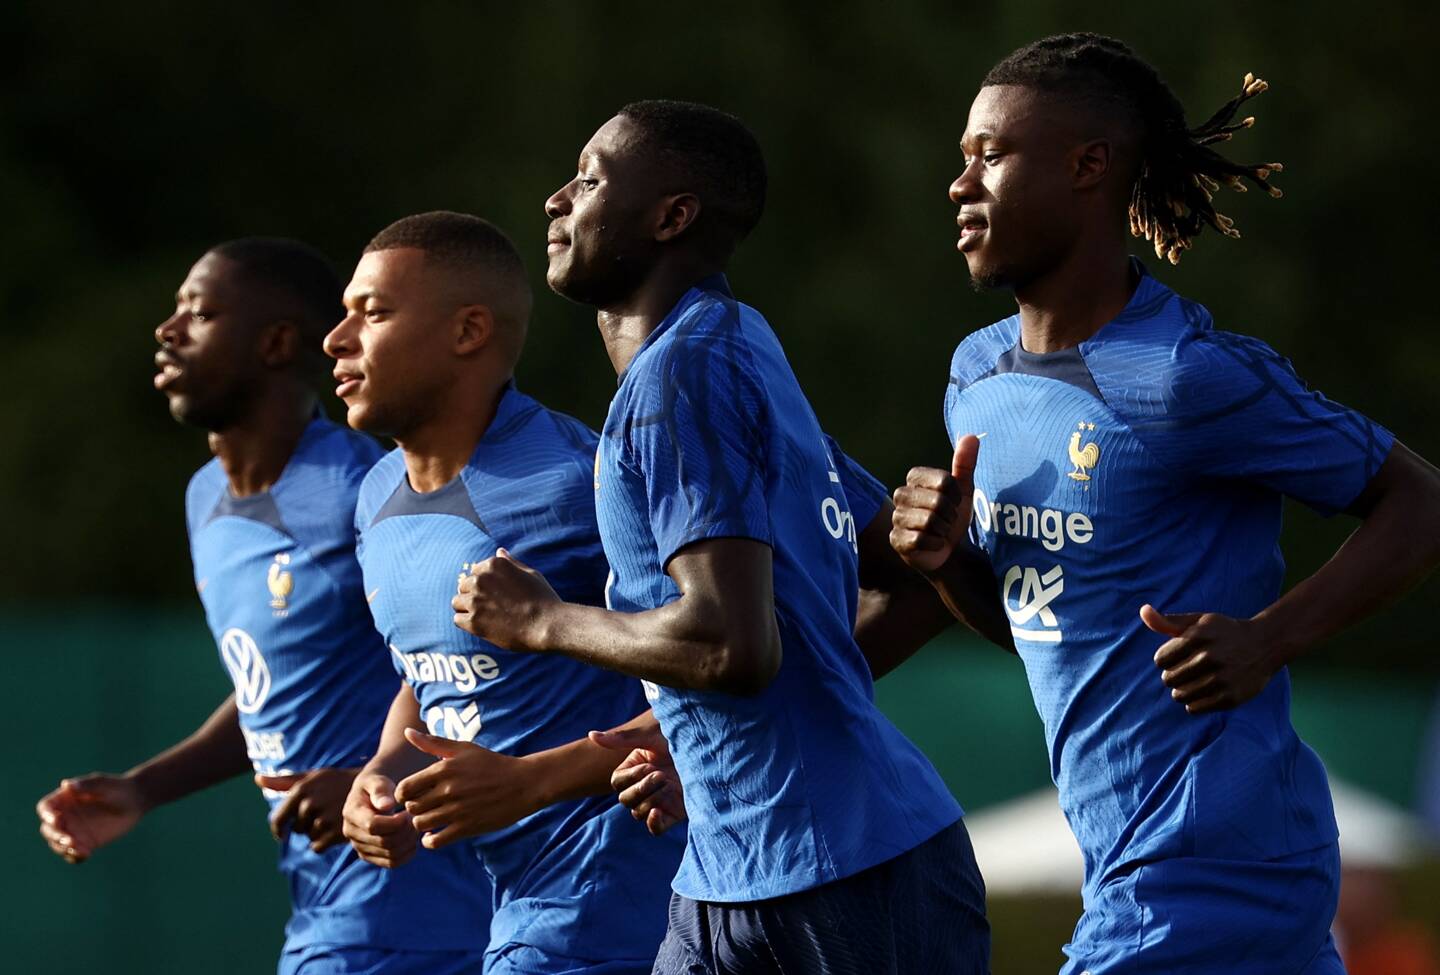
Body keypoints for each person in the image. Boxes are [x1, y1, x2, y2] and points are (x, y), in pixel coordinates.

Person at [890, 32, 1440, 974]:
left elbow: (1421, 500)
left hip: (1209, 868)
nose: (959, 183)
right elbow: (1040, 621)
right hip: (1140, 871)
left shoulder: (1187, 378)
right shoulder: (974, 375)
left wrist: (1269, 636)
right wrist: (948, 566)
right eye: (960, 158)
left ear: (1088, 166)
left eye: (990, 155)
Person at [452, 102, 992, 973]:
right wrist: (696, 752)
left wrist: (542, 621)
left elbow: (731, 645)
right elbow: (894, 573)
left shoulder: (688, 372)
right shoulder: (737, 346)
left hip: (843, 880)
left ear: (673, 216)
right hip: (724, 875)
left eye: (589, 179)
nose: (557, 199)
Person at [36, 239, 493, 974]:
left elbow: (477, 664)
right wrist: (143, 788)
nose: (168, 328)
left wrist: (377, 773)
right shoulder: (203, 499)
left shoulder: (363, 490)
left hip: (418, 912)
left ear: (277, 342)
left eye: (201, 311)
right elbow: (274, 692)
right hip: (321, 907)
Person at [326, 211, 685, 974]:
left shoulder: (575, 482)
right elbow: (425, 672)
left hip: (615, 903)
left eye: (374, 312)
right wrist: (384, 770)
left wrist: (532, 781)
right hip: (511, 904)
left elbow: (716, 664)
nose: (338, 338)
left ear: (468, 332)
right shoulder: (374, 494)